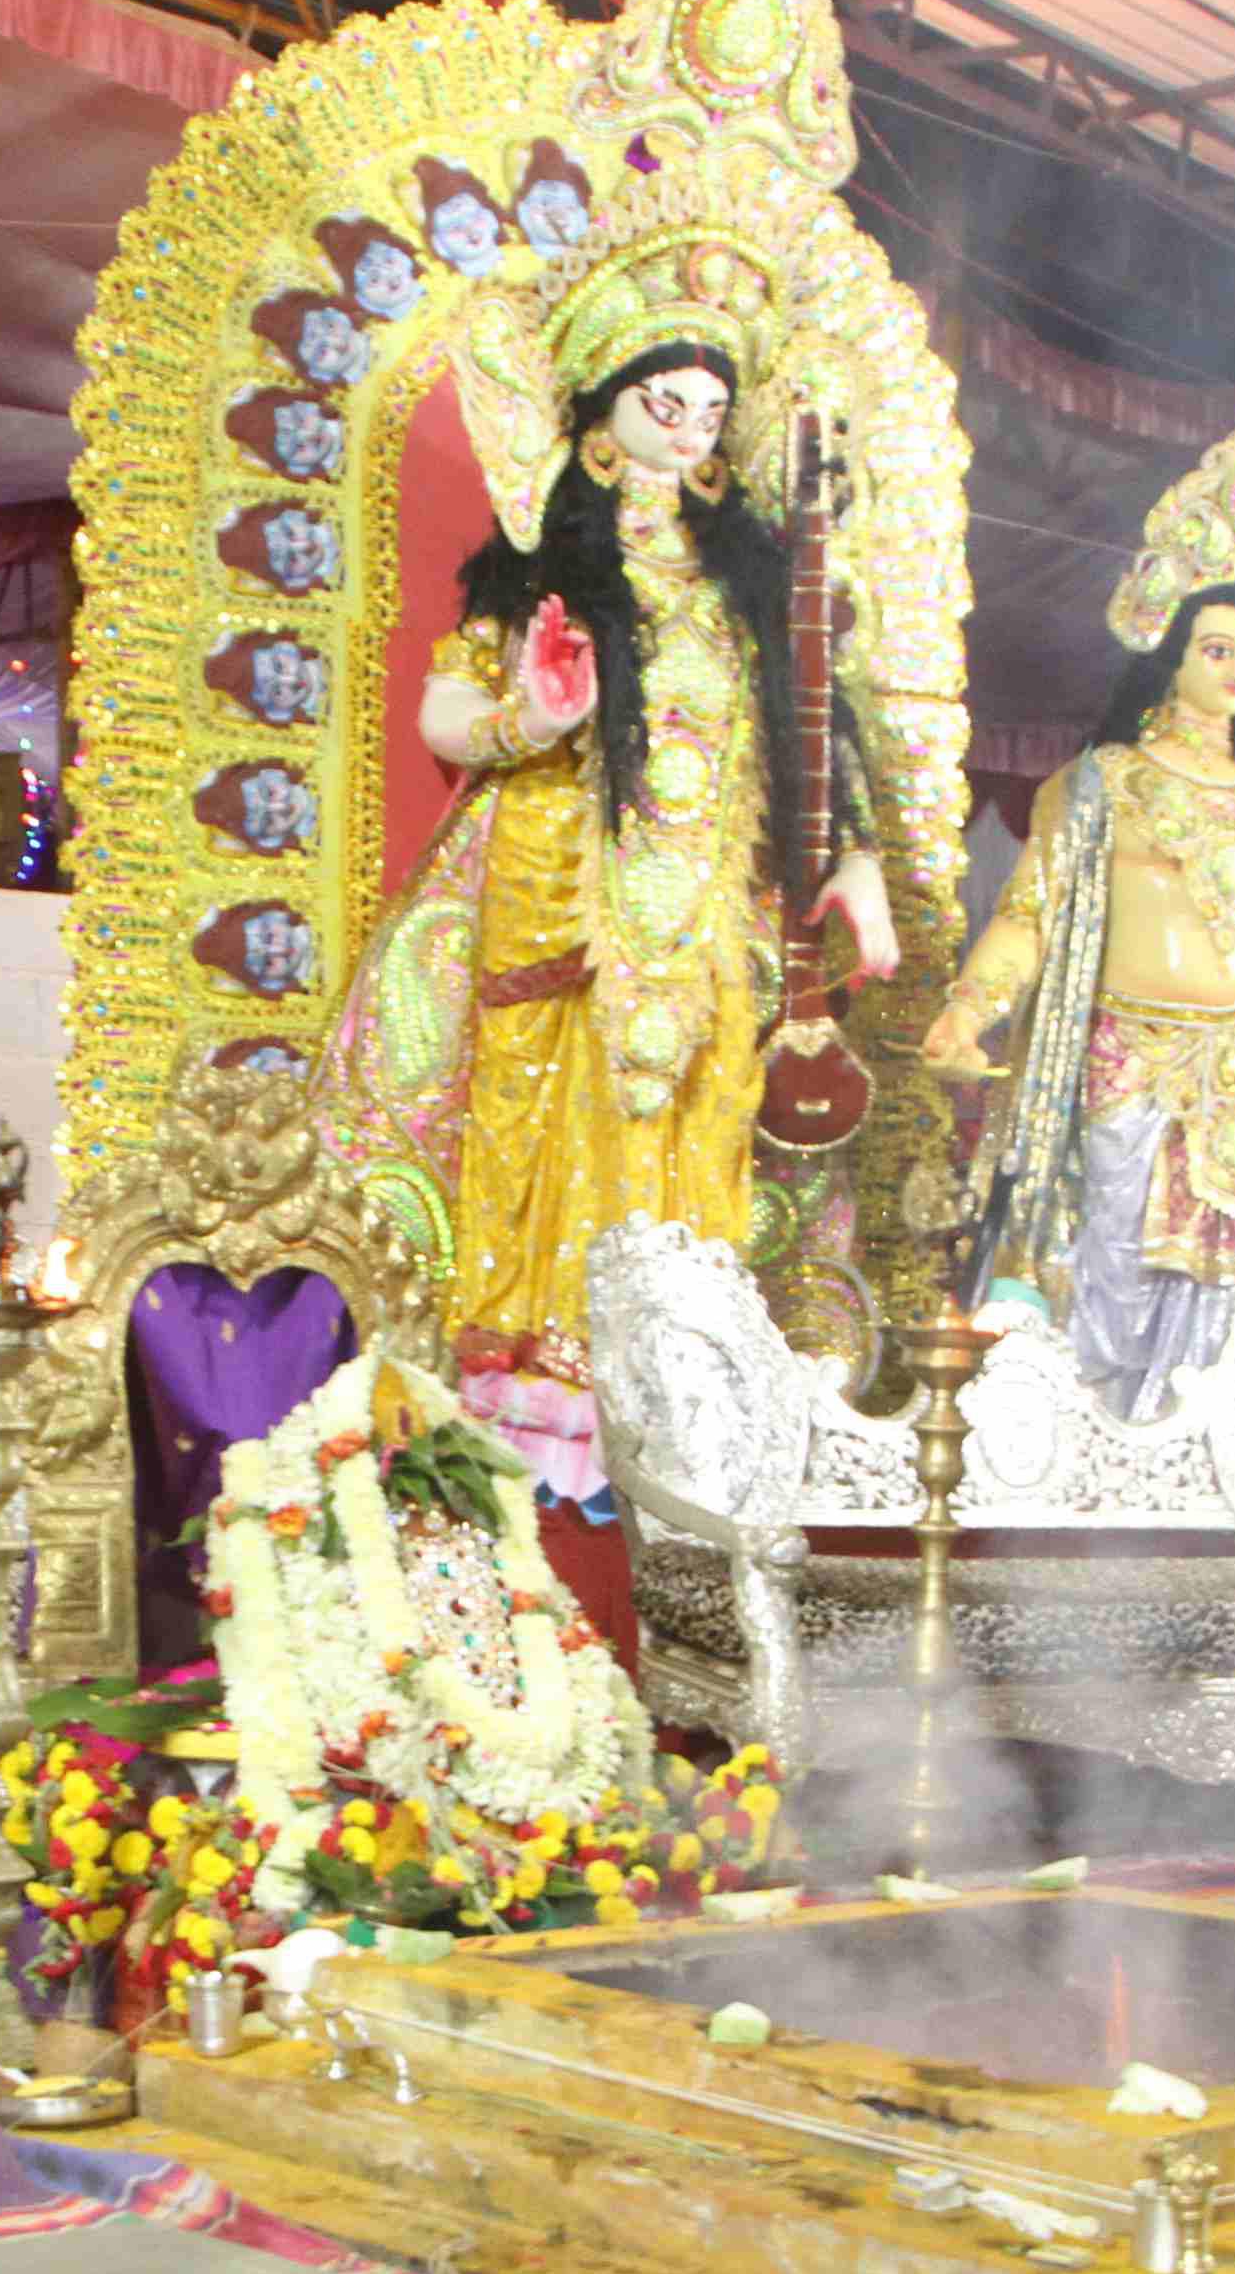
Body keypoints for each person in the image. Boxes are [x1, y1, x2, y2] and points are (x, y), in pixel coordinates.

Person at [334, 284, 893, 1481]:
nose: (690, 429)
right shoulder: (542, 565)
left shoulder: (752, 583)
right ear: (600, 418)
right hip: (558, 881)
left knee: (704, 1112)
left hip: (708, 906)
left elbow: (810, 739)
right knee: (550, 1113)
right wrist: (531, 719)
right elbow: (443, 710)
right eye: (664, 403)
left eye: (710, 411)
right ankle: (539, 1419)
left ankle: (688, 1392)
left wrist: (854, 859)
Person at [921, 402, 1235, 1415]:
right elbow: (1031, 915)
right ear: (1171, 650)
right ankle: (1097, 1460)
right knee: (1108, 1297)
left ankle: (1219, 1465)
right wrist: (969, 1009)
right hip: (1132, 1066)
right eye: (1218, 648)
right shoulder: (1103, 784)